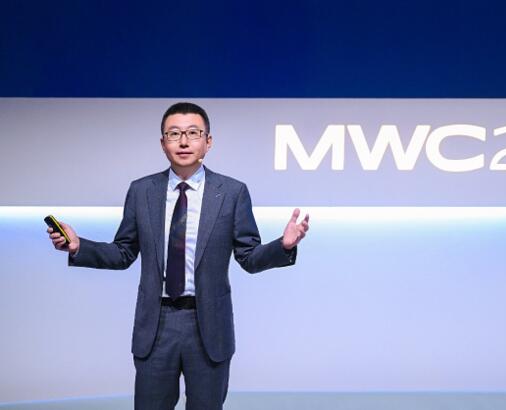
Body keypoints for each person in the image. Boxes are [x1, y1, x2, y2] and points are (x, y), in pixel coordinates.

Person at [47, 102, 310, 410]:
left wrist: (283, 246)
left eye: (193, 133)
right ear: (163, 143)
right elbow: (123, 252)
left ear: (208, 141)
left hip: (208, 325)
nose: (184, 142)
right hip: (156, 325)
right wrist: (79, 246)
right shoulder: (142, 191)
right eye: (174, 134)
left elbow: (249, 257)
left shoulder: (232, 192)